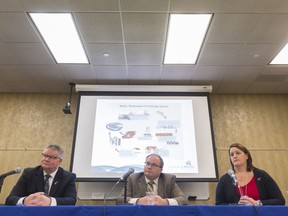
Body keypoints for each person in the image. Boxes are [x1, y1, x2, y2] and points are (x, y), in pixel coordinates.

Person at [5, 144, 77, 206]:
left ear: (60, 161)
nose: (46, 159)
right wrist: (24, 201)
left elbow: (71, 200)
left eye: (51, 157)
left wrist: (50, 201)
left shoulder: (68, 177)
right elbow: (10, 199)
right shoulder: (29, 173)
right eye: (44, 155)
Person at [215, 143, 285, 205]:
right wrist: (236, 206)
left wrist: (258, 203)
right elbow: (218, 205)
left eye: (238, 153)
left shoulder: (261, 175)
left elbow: (280, 200)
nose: (234, 156)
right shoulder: (224, 180)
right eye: (231, 154)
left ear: (247, 156)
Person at [117, 153, 188, 205]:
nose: (149, 167)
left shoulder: (168, 179)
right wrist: (138, 201)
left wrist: (164, 202)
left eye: (154, 165)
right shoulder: (133, 178)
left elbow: (183, 200)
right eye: (147, 163)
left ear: (161, 169)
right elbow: (120, 199)